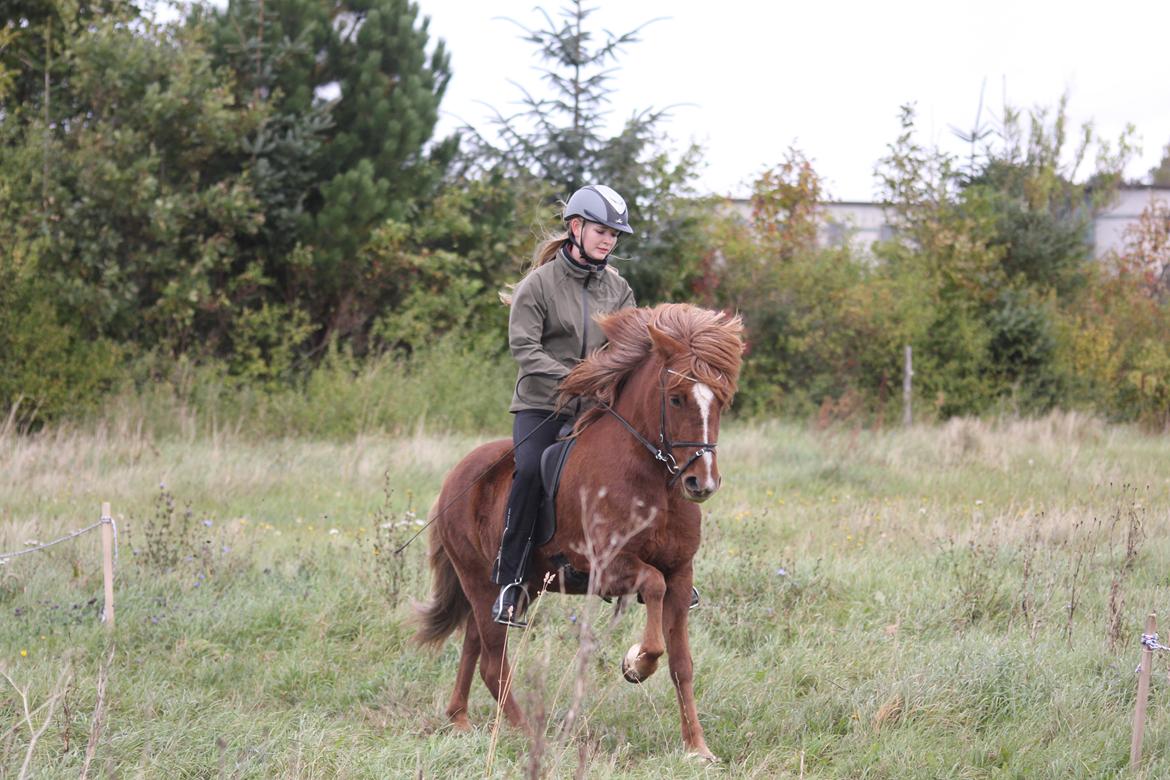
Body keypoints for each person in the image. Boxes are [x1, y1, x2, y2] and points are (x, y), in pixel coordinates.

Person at [491, 184, 637, 627]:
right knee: (534, 470)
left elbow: (629, 348)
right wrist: (577, 379)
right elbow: (525, 351)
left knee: (645, 460)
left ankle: (660, 563)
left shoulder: (619, 288)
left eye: (615, 234)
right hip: (542, 407)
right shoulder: (537, 286)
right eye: (601, 231)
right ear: (575, 228)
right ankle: (510, 582)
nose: (609, 240)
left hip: (596, 407)